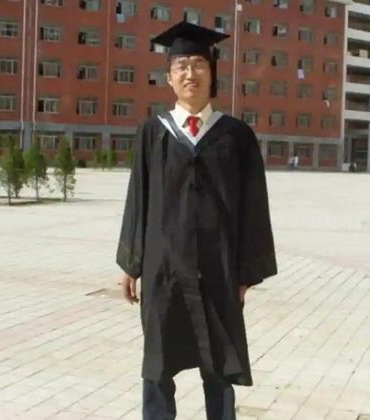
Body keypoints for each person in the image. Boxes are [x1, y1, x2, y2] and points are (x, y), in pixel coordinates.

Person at [116, 20, 277, 420]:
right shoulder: (152, 133)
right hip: (163, 271)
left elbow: (254, 208)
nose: (190, 73)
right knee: (158, 364)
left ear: (212, 72)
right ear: (169, 78)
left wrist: (246, 272)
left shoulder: (236, 136)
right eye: (182, 66)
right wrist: (131, 263)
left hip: (218, 270)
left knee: (219, 364)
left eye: (199, 64)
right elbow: (138, 199)